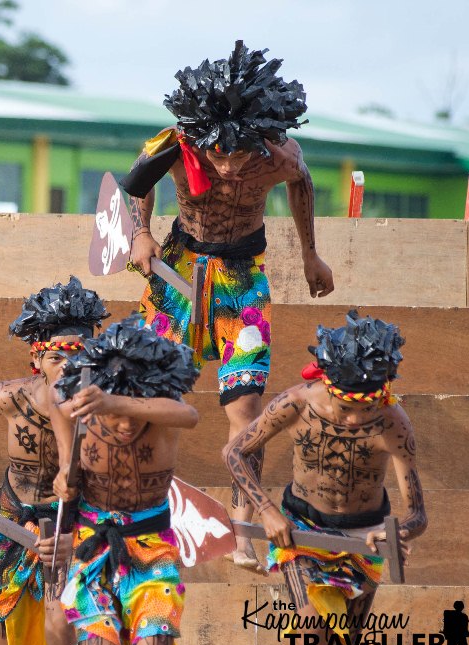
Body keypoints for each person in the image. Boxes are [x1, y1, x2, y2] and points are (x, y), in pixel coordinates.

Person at [122, 40, 335, 570]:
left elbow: (302, 184)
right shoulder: (176, 142)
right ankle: (141, 517)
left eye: (240, 155)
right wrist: (140, 234)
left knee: (244, 405)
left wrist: (312, 255)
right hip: (177, 276)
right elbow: (136, 183)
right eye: (220, 154)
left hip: (243, 283)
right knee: (156, 395)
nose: (229, 166)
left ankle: (242, 529)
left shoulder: (279, 155)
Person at [223, 311, 428, 645]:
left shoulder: (394, 423)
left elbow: (417, 514)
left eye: (366, 408)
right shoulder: (296, 403)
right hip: (301, 533)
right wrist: (266, 511)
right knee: (310, 637)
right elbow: (235, 452)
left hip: (363, 541)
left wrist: (398, 533)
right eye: (346, 408)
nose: (354, 420)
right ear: (328, 386)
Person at [0, 277, 109, 645]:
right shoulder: (16, 397)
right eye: (57, 356)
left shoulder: (102, 409)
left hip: (68, 527)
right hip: (9, 523)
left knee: (67, 636)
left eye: (78, 356)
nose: (67, 366)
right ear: (37, 359)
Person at [52, 317, 200, 645]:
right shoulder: (75, 412)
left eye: (132, 410)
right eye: (114, 415)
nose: (125, 425)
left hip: (152, 550)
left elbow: (191, 415)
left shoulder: (163, 415)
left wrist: (118, 402)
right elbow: (66, 464)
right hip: (93, 547)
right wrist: (64, 481)